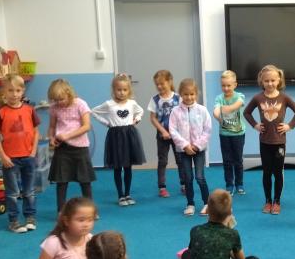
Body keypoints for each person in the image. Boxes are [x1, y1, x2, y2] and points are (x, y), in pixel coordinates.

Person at [242, 64, 295, 215]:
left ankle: (277, 201)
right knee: (266, 172)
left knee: (278, 172)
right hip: (264, 143)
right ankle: (268, 201)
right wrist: (255, 125)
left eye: (273, 80)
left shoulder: (284, 98)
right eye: (266, 81)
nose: (270, 84)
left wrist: (289, 126)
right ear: (262, 82)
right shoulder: (258, 98)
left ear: (279, 80)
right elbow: (246, 113)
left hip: (279, 143)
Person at [181, 190, 261, 259]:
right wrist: (228, 245)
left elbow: (193, 253)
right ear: (230, 212)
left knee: (186, 254)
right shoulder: (232, 234)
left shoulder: (195, 230)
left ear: (207, 210)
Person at [0, 73, 40, 232]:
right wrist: (3, 156)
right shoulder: (1, 112)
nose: (14, 94)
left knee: (29, 191)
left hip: (28, 157)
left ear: (23, 91)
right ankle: (13, 221)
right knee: (12, 193)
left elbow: (36, 132)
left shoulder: (29, 110)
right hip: (10, 159)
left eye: (18, 90)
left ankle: (30, 217)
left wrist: (33, 151)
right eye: (10, 90)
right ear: (4, 92)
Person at [91, 73, 146, 207]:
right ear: (114, 90)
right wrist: (106, 122)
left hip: (129, 136)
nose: (122, 92)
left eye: (125, 90)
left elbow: (141, 111)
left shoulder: (132, 103)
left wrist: (137, 119)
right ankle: (120, 195)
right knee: (117, 167)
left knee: (128, 167)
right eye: (119, 90)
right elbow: (93, 111)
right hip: (115, 137)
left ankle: (127, 194)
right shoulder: (109, 104)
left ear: (129, 90)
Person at [47, 78, 95, 212]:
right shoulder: (54, 108)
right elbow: (52, 126)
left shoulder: (80, 104)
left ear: (69, 93)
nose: (59, 103)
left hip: (80, 148)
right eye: (55, 100)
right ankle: (61, 211)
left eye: (61, 99)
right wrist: (51, 138)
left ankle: (90, 210)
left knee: (85, 181)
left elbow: (86, 126)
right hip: (62, 149)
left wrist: (68, 136)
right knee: (61, 181)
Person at [170, 78, 212, 216]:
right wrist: (185, 145)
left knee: (200, 177)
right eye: (186, 94)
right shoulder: (175, 111)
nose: (189, 97)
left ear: (196, 94)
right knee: (187, 178)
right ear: (180, 94)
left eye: (192, 94)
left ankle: (207, 204)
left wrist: (197, 145)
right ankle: (190, 204)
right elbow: (173, 130)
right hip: (184, 151)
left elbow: (207, 130)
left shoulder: (202, 110)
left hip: (199, 150)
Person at [148, 69, 184, 198]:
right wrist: (163, 131)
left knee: (180, 160)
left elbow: (183, 115)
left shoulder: (178, 98)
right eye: (157, 84)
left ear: (170, 82)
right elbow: (153, 118)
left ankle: (184, 184)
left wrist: (178, 131)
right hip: (162, 135)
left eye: (162, 83)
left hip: (177, 135)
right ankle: (162, 187)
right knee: (162, 161)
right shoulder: (155, 100)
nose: (159, 86)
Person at [213, 70, 246, 196]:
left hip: (238, 134)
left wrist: (227, 109)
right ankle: (229, 185)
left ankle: (239, 184)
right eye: (223, 85)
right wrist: (218, 116)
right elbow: (216, 111)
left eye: (228, 85)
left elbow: (238, 104)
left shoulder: (240, 96)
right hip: (224, 134)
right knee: (227, 161)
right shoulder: (219, 98)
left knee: (238, 160)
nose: (226, 88)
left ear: (235, 85)